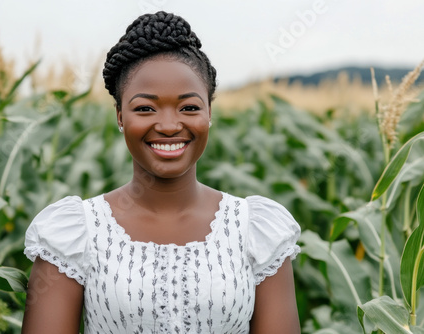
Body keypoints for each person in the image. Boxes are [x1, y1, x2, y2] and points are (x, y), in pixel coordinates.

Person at [21, 11, 301, 334]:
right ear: (119, 116)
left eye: (189, 107)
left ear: (209, 112)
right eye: (145, 108)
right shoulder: (72, 235)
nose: (168, 126)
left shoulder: (256, 231)